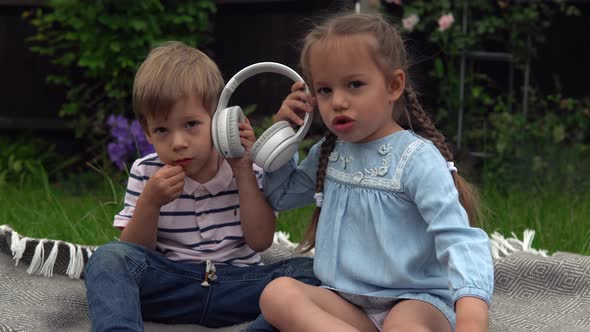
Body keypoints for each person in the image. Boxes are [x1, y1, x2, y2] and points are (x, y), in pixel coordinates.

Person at [258, 12, 494, 332]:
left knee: (404, 325)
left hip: (415, 300)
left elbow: (458, 240)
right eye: (325, 90)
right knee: (276, 293)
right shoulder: (329, 152)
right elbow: (281, 195)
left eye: (354, 85)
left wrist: (472, 316)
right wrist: (285, 135)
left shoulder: (416, 159)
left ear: (393, 85)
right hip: (347, 303)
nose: (338, 101)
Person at [84, 41, 318, 332]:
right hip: (172, 287)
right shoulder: (146, 172)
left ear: (218, 121)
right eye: (162, 130)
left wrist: (243, 171)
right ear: (147, 132)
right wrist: (151, 202)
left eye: (191, 124)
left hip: (240, 286)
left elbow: (260, 241)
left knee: (310, 273)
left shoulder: (246, 165)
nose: (178, 142)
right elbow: (135, 252)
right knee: (108, 259)